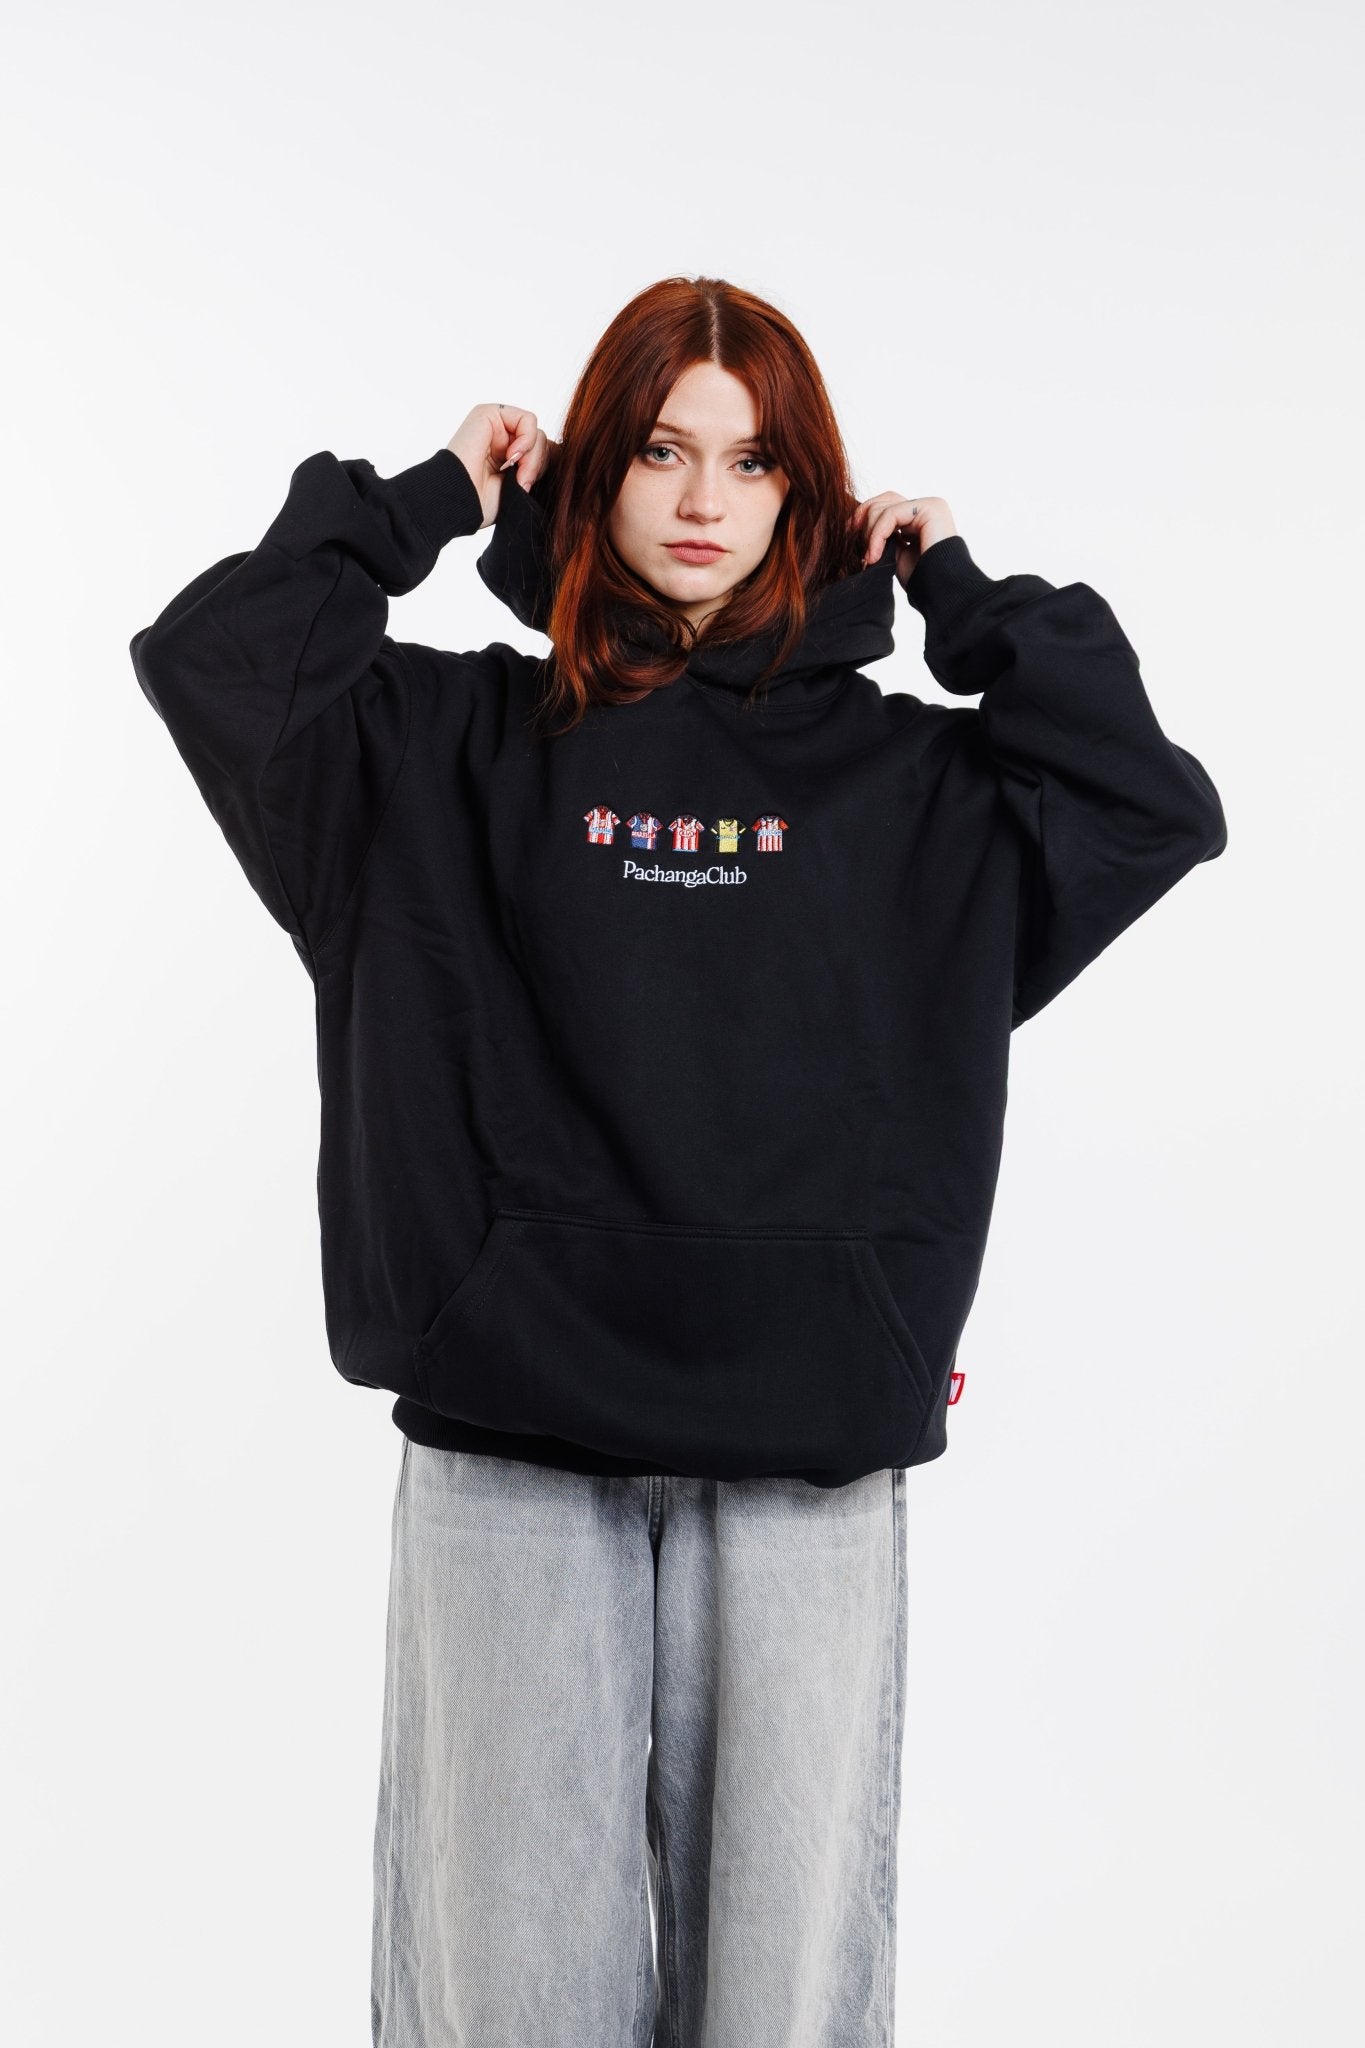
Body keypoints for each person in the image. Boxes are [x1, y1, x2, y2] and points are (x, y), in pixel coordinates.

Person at [129, 275, 1228, 2046]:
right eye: (657, 449)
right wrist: (422, 500)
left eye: (754, 461)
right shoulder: (440, 747)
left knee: (783, 2008)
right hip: (510, 1450)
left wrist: (957, 592)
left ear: (811, 496)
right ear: (592, 472)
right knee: (507, 2004)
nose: (706, 499)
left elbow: (1147, 804)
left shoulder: (910, 787)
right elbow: (217, 660)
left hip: (804, 1464)